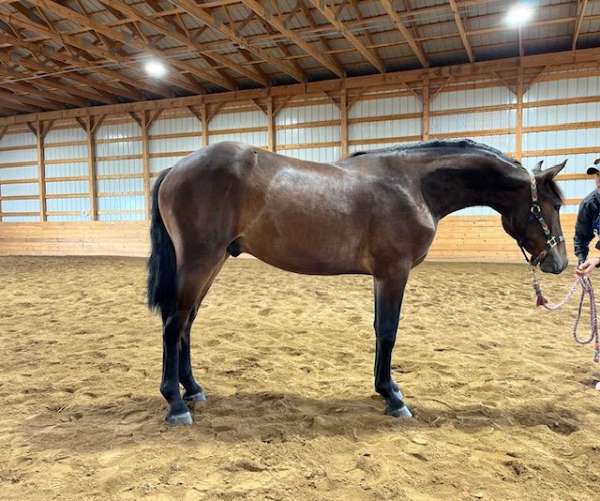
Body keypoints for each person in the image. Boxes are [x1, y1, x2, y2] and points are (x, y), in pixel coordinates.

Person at [574, 159, 600, 277]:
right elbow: (581, 237)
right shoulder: (589, 204)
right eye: (598, 175)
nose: (599, 179)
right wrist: (582, 261)